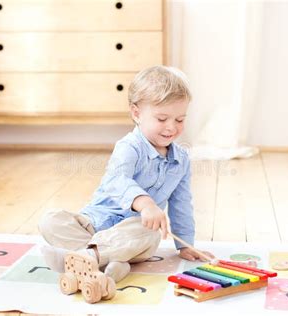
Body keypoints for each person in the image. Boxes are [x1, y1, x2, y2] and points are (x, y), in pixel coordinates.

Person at [39, 65, 213, 287]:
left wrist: (186, 244)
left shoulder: (181, 160)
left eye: (179, 120)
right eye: (162, 119)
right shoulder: (129, 147)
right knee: (51, 221)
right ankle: (108, 261)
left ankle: (88, 257)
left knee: (150, 234)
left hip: (133, 234)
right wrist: (145, 203)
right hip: (95, 223)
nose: (171, 127)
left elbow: (181, 204)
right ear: (136, 113)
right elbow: (116, 179)